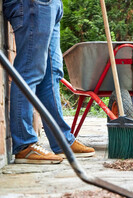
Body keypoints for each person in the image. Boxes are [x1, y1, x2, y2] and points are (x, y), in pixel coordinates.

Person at [3, 0, 95, 164]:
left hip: (51, 5)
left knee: (51, 74)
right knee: (29, 70)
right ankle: (25, 144)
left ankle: (61, 140)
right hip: (33, 3)